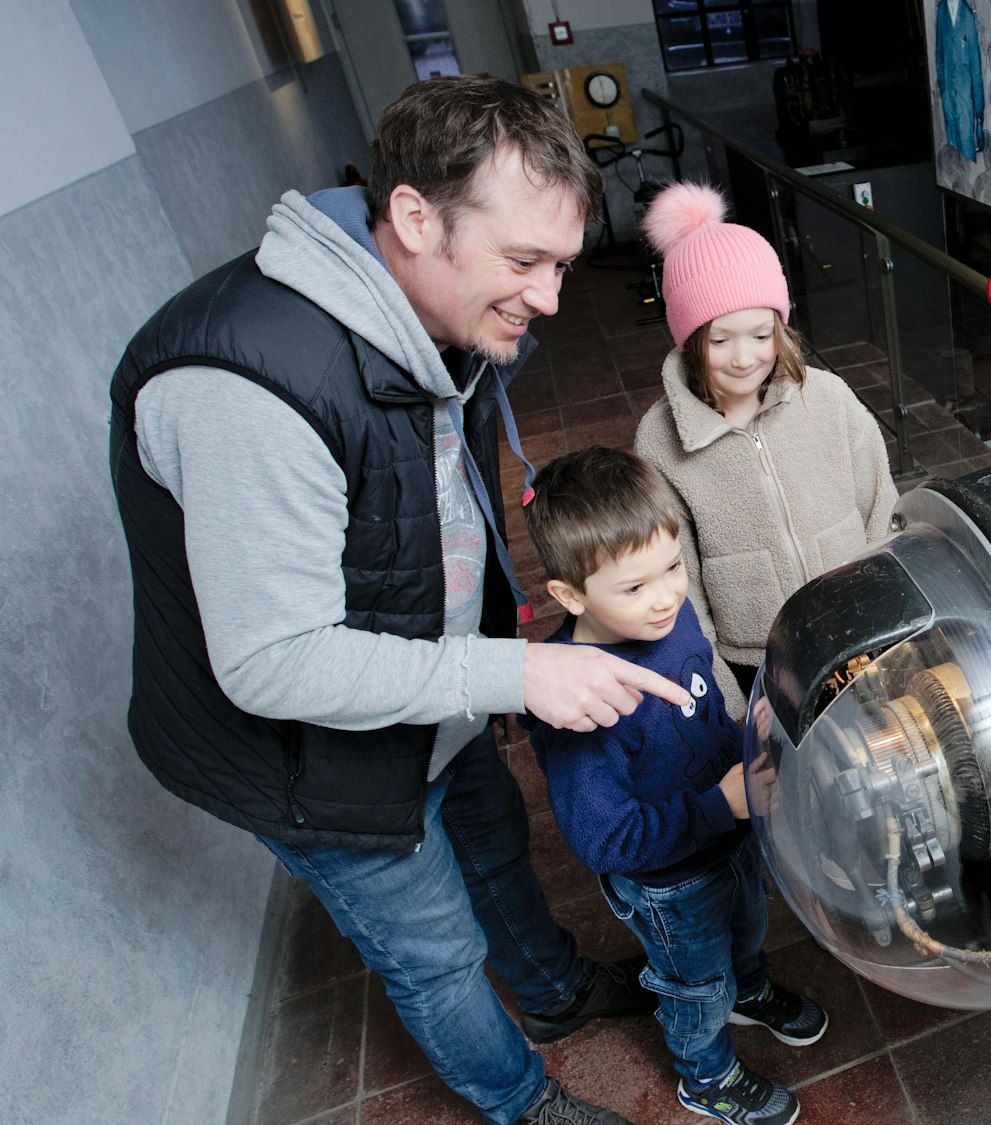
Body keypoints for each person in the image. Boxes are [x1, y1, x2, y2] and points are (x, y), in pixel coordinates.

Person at [108, 77, 693, 1125]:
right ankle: (522, 1102)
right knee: (434, 952)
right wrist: (515, 670)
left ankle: (554, 995)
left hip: (425, 686)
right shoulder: (248, 386)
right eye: (525, 262)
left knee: (493, 840)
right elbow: (270, 662)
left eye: (561, 263)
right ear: (416, 218)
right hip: (305, 754)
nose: (552, 298)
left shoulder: (436, 312)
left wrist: (484, 664)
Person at [522, 446, 826, 1125]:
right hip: (669, 882)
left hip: (728, 830)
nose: (665, 597)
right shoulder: (576, 707)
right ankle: (706, 1074)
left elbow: (698, 703)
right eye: (633, 586)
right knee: (695, 983)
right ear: (571, 596)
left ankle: (749, 989)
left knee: (747, 925)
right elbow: (606, 839)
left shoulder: (668, 616)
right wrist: (722, 802)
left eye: (673, 567)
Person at [633, 182, 897, 718]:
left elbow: (882, 508)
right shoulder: (658, 440)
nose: (743, 357)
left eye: (759, 334)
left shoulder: (827, 398)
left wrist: (883, 615)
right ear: (689, 341)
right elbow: (677, 582)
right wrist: (727, 702)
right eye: (720, 339)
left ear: (780, 325)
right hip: (757, 661)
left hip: (860, 631)